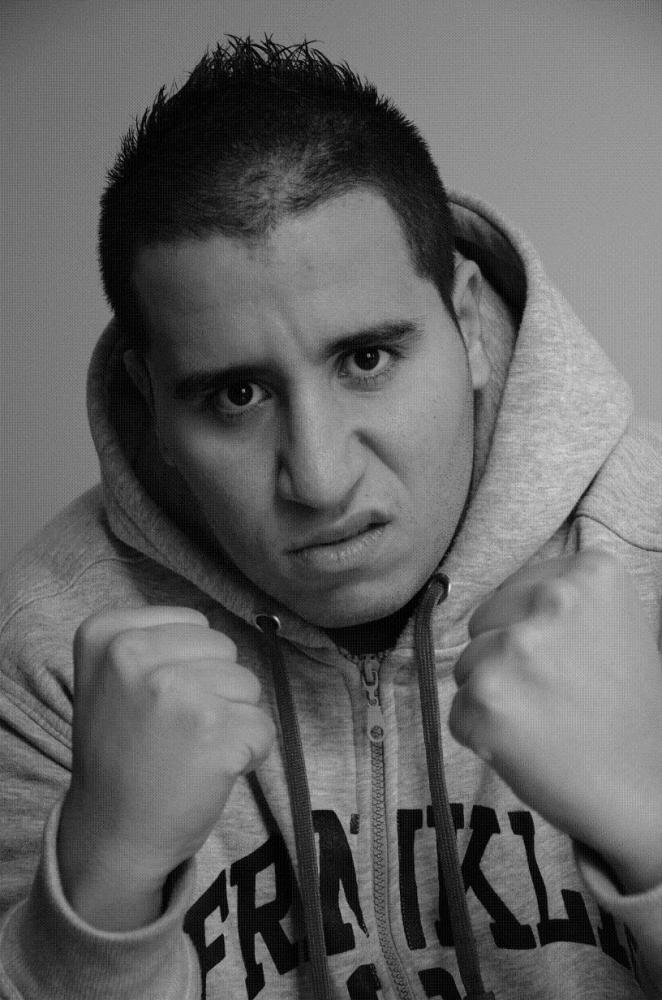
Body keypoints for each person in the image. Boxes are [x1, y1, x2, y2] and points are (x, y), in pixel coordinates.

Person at [0, 36, 660, 1000]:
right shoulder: (50, 652)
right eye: (236, 395)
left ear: (467, 325)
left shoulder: (650, 551)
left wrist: (651, 819)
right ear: (152, 402)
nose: (318, 477)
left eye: (366, 359)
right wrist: (102, 886)